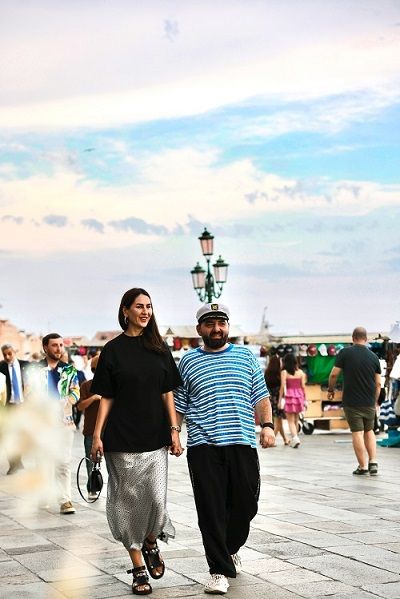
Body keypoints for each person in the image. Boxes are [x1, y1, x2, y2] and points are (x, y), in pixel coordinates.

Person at [174, 302, 275, 595]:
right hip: (204, 446)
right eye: (210, 324)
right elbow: (179, 403)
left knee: (246, 503)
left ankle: (229, 549)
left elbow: (261, 395)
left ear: (228, 326)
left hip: (242, 442)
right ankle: (218, 570)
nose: (216, 329)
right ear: (199, 329)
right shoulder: (188, 361)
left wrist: (268, 426)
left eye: (221, 323)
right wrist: (174, 433)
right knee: (211, 509)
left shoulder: (245, 356)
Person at [90, 287, 183, 596]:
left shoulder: (159, 347)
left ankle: (151, 542)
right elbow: (107, 397)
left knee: (156, 499)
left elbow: (167, 392)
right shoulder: (112, 350)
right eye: (139, 306)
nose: (145, 311)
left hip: (155, 436)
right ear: (125, 310)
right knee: (127, 503)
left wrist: (174, 430)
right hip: (121, 438)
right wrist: (97, 435)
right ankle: (138, 566)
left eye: (149, 307)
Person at [27, 334, 80, 513]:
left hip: (65, 423)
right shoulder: (34, 370)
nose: (59, 349)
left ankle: (65, 501)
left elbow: (76, 392)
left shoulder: (69, 370)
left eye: (61, 345)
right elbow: (29, 394)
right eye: (54, 345)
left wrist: (66, 401)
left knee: (63, 462)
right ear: (45, 347)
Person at [328, 326, 381, 475]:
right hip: (369, 401)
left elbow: (334, 374)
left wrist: (331, 390)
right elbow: (378, 383)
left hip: (351, 401)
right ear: (366, 339)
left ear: (352, 338)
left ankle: (363, 467)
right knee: (369, 430)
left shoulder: (345, 353)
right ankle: (373, 462)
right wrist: (375, 400)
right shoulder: (374, 357)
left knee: (357, 432)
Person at [0, 344, 29, 474]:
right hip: (8, 406)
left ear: (15, 352)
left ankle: (19, 461)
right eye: (4, 354)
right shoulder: (1, 367)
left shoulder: (25, 365)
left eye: (9, 353)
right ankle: (13, 464)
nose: (7, 357)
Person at [76, 353, 101, 499]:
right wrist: (94, 398)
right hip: (91, 430)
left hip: (109, 430)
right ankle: (92, 488)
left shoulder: (112, 385)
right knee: (91, 461)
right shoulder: (86, 386)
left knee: (111, 462)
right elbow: (80, 406)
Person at [278, 353, 306, 448]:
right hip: (299, 396)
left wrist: (279, 400)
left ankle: (295, 438)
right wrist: (305, 399)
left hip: (290, 396)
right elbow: (303, 387)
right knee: (296, 420)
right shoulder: (301, 372)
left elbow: (282, 387)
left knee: (290, 421)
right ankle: (295, 438)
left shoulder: (284, 372)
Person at [264, 353, 289, 445]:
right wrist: (280, 399)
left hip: (270, 399)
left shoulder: (267, 373)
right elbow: (282, 387)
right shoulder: (280, 374)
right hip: (278, 399)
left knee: (278, 420)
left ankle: (285, 439)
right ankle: (270, 441)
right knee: (278, 421)